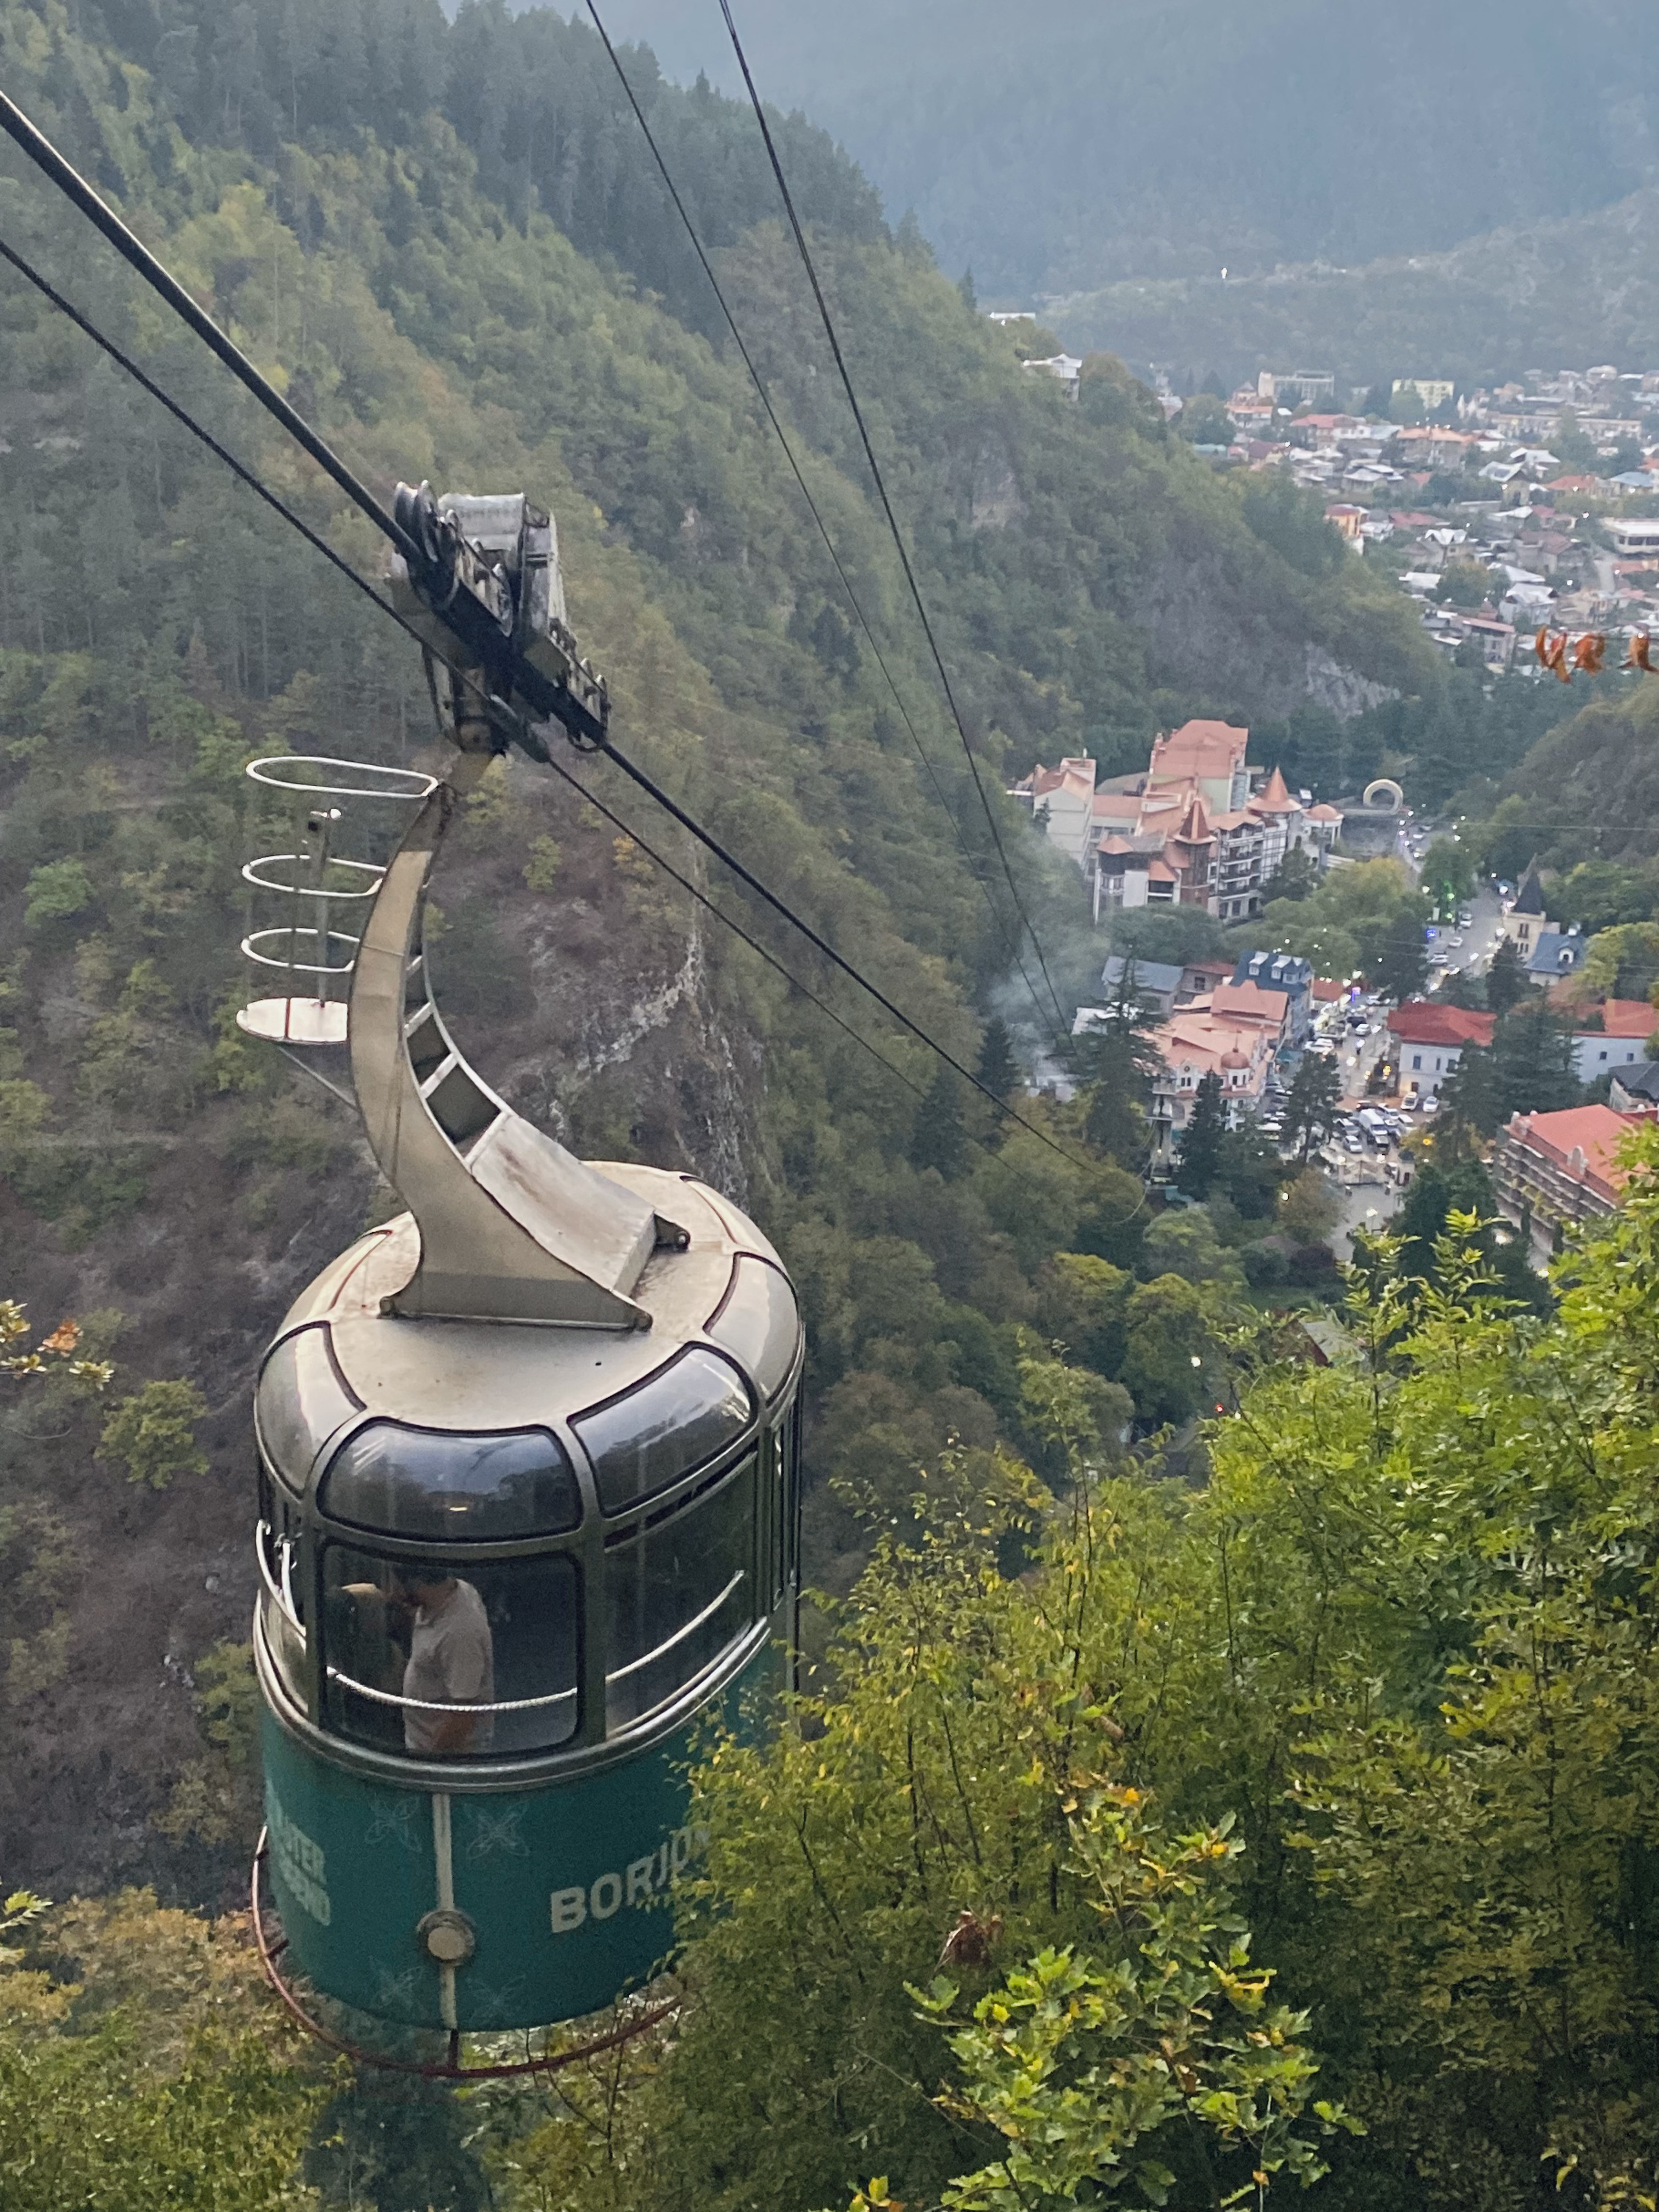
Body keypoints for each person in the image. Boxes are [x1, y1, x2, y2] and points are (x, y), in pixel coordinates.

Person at [392, 1567, 494, 1754]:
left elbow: (464, 1717)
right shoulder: (456, 1591)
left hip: (445, 1753)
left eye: (396, 1585)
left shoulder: (460, 1635)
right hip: (420, 1735)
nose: (393, 1592)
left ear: (416, 1584)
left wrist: (431, 1763)